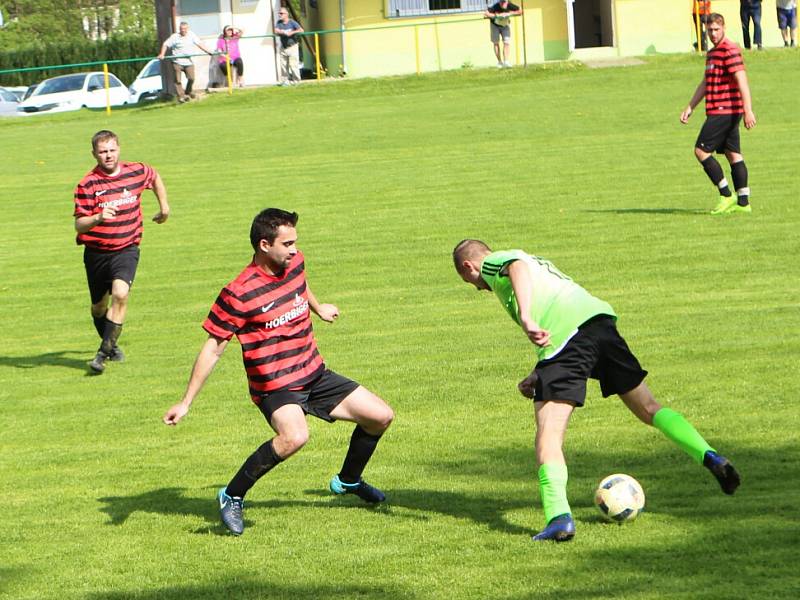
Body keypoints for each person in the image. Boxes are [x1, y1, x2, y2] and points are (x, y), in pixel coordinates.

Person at [452, 240, 741, 542]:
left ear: (468, 266)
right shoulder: (534, 262)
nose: (476, 287)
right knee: (648, 408)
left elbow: (517, 269)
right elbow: (561, 319)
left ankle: (558, 518)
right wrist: (539, 373)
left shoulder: (495, 262)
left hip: (568, 341)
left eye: (469, 280)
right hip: (599, 325)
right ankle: (710, 456)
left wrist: (526, 317)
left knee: (548, 435)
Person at [162, 209, 394, 536]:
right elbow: (214, 346)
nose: (294, 250)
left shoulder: (294, 263)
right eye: (287, 244)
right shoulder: (239, 292)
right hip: (276, 386)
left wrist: (319, 307)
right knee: (295, 437)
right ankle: (232, 495)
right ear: (264, 245)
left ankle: (348, 481)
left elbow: (301, 285)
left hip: (313, 372)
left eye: (295, 242)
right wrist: (186, 402)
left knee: (381, 416)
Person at [73, 130, 170, 374]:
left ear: (119, 149)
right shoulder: (88, 184)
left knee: (121, 293)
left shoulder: (136, 171)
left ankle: (102, 354)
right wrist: (97, 217)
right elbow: (79, 224)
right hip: (96, 253)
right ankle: (111, 344)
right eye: (103, 151)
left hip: (127, 248)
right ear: (94, 154)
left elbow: (155, 176)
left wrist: (164, 207)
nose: (108, 155)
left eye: (112, 150)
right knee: (98, 307)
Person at [680, 13, 756, 215]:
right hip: (718, 110)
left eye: (716, 29)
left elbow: (742, 81)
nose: (713, 34)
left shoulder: (730, 50)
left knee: (701, 151)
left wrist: (748, 110)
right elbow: (706, 82)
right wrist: (691, 106)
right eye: (709, 30)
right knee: (733, 154)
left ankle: (725, 194)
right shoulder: (713, 53)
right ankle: (743, 202)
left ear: (723, 28)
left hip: (726, 111)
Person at [157, 21, 215, 102]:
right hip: (177, 62)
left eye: (185, 29)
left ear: (187, 29)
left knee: (191, 78)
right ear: (179, 29)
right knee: (178, 80)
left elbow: (200, 44)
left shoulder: (192, 35)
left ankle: (188, 91)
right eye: (181, 29)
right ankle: (181, 96)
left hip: (188, 61)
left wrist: (208, 51)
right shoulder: (175, 37)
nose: (183, 30)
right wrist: (162, 54)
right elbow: (165, 44)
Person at [484, 0, 522, 68]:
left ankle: (506, 62)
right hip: (494, 25)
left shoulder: (510, 5)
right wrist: (496, 15)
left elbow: (520, 11)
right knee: (496, 43)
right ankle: (499, 62)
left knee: (506, 42)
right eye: (502, 2)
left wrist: (510, 13)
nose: (503, 4)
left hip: (505, 25)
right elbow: (486, 13)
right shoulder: (495, 6)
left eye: (504, 2)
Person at [274, 8, 303, 85]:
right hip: (283, 47)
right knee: (283, 66)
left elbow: (301, 30)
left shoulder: (292, 22)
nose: (280, 14)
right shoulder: (279, 22)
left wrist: (292, 32)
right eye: (279, 13)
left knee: (293, 65)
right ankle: (285, 81)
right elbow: (276, 30)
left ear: (286, 14)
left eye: (281, 13)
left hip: (292, 46)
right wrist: (282, 32)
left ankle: (296, 81)